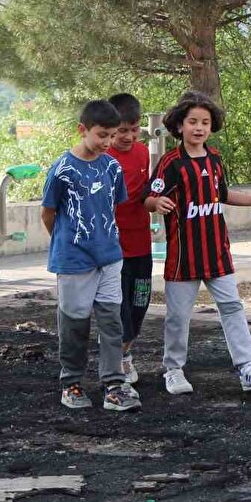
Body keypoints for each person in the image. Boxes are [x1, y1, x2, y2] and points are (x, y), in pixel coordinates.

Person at [144, 90, 251, 395]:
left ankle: (247, 368)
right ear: (179, 125)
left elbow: (222, 194)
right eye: (192, 121)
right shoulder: (171, 163)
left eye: (205, 122)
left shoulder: (216, 158)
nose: (199, 127)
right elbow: (149, 197)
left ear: (212, 126)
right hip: (183, 256)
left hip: (217, 253)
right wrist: (156, 203)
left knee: (232, 307)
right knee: (179, 316)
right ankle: (174, 370)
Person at [40, 100, 141, 412]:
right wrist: (68, 246)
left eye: (112, 135)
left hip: (110, 257)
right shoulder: (63, 170)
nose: (108, 142)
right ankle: (71, 383)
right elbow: (48, 214)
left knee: (112, 322)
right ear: (82, 130)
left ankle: (114, 385)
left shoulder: (111, 166)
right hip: (74, 262)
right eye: (102, 135)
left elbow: (109, 206)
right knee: (75, 325)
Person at [107, 93, 153, 386]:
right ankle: (117, 361)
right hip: (113, 249)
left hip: (142, 245)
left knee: (140, 303)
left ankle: (124, 351)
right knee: (118, 308)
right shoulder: (102, 159)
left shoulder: (143, 154)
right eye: (122, 130)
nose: (128, 136)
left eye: (134, 130)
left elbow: (147, 192)